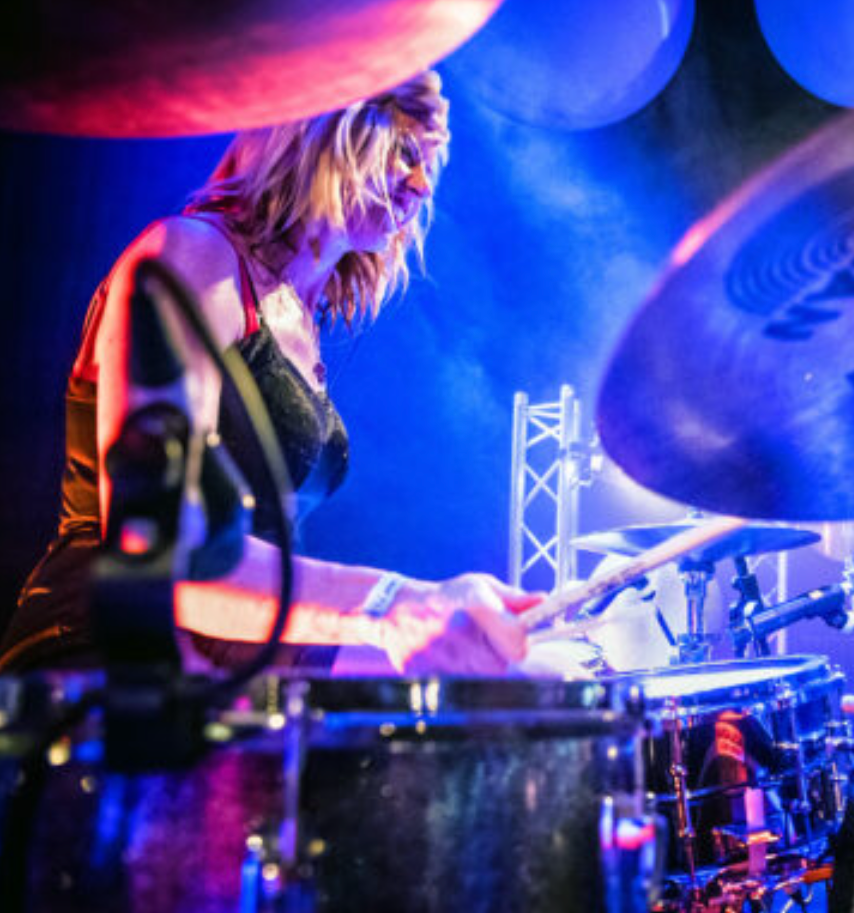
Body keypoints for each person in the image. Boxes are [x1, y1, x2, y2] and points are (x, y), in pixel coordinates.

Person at [0, 70, 540, 675]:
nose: (419, 184)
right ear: (325, 133)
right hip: (93, 679)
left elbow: (268, 602)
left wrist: (475, 644)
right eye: (405, 153)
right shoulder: (191, 257)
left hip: (220, 688)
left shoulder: (299, 318)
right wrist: (393, 604)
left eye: (430, 165)